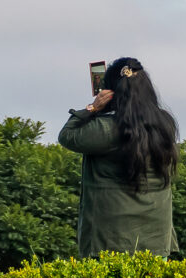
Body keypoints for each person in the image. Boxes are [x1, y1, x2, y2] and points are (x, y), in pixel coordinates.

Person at [57, 56, 177, 255]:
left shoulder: (105, 129)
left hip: (108, 241)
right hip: (157, 241)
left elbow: (67, 136)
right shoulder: (166, 125)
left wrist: (93, 108)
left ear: (112, 93)